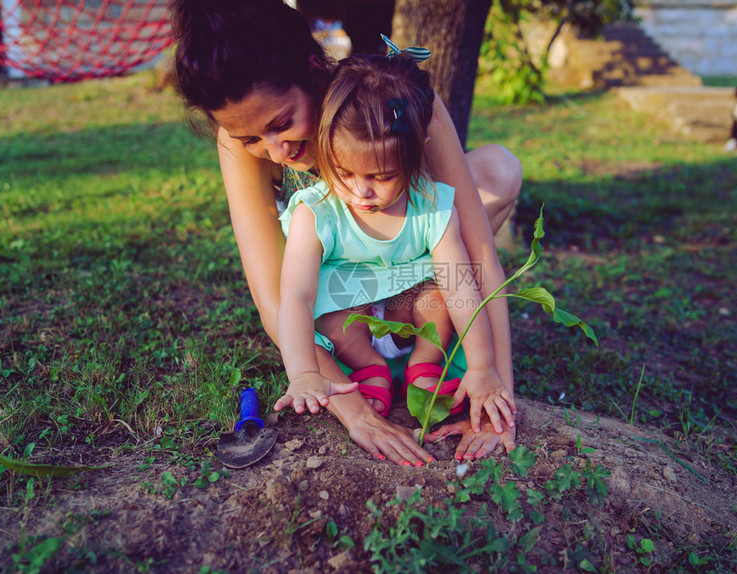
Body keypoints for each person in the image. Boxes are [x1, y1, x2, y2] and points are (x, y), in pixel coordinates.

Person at [170, 0, 521, 465]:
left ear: (316, 72)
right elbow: (278, 299)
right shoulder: (250, 149)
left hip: (411, 278)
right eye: (251, 139)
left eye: (280, 123)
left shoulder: (394, 101)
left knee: (497, 169)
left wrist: (496, 389)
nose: (273, 152)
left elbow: (477, 258)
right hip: (337, 305)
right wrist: (352, 411)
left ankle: (422, 338)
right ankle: (381, 356)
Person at [276, 52, 516, 435]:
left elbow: (461, 286)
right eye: (344, 172)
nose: (361, 190)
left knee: (438, 295)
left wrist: (483, 367)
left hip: (409, 315)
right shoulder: (316, 214)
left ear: (418, 149)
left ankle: (424, 363)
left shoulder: (432, 207)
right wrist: (304, 372)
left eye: (382, 175)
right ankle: (371, 368)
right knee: (333, 319)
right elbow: (295, 297)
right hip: (353, 323)